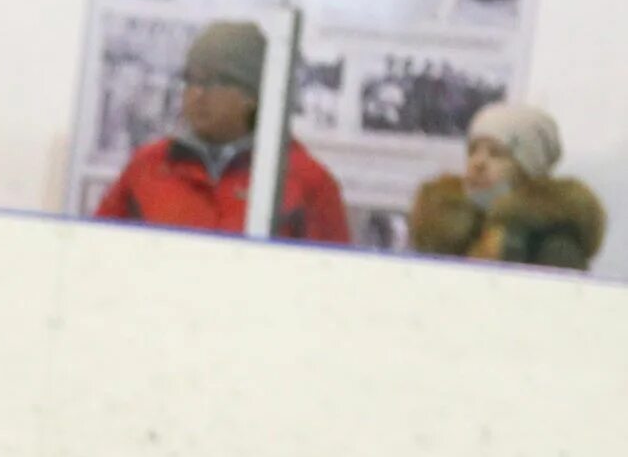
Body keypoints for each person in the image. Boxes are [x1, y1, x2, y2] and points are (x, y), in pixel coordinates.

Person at [92, 20, 348, 244]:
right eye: (190, 80)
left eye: (214, 81)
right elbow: (97, 251)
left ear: (252, 94)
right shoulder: (149, 166)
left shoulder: (307, 182)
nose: (196, 94)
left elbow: (329, 282)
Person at [410, 103, 604, 271]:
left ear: (527, 171)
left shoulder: (554, 247)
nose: (478, 163)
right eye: (473, 150)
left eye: (496, 153)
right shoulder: (446, 234)